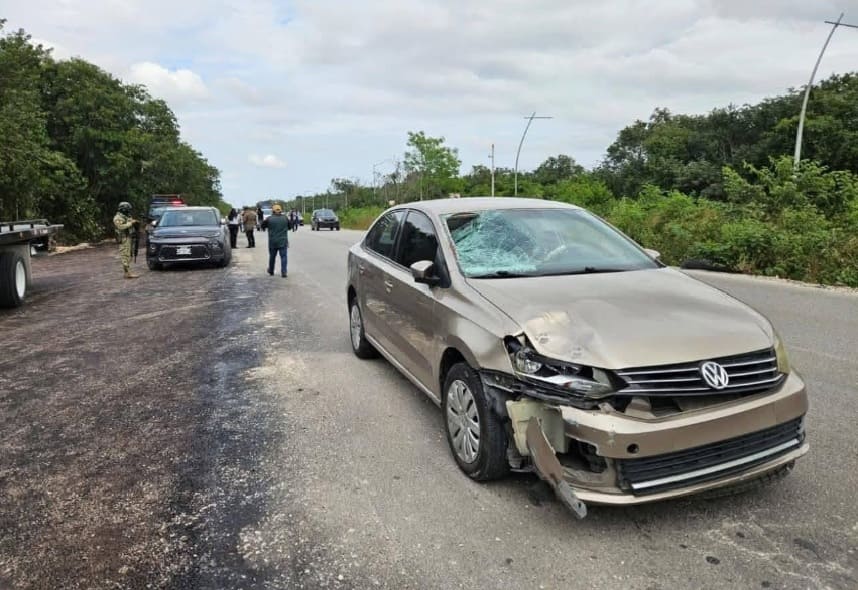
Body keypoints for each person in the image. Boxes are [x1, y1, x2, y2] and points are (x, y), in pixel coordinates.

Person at [261, 203, 289, 277]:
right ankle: (284, 272)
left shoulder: (269, 218)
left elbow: (262, 226)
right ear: (281, 211)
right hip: (283, 241)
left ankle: (271, 270)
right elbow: (290, 227)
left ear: (272, 211)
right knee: (283, 257)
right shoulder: (285, 218)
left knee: (272, 257)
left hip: (272, 241)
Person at [113, 201, 140, 279]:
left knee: (129, 255)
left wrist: (134, 223)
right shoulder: (118, 218)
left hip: (128, 237)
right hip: (123, 238)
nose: (129, 211)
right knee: (125, 255)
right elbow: (120, 227)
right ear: (123, 209)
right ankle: (127, 273)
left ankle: (128, 272)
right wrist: (131, 223)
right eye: (127, 209)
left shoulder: (125, 216)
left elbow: (129, 221)